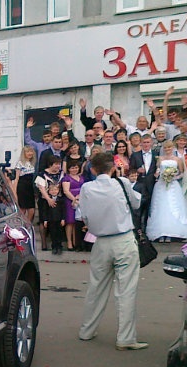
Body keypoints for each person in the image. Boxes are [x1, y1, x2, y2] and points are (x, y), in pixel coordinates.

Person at [78, 151, 147, 351]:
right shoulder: (122, 183)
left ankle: (87, 330)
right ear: (113, 168)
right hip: (123, 238)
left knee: (95, 288)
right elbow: (137, 202)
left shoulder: (86, 188)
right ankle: (125, 338)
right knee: (126, 290)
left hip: (100, 241)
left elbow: (85, 216)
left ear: (92, 170)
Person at [146, 140, 187, 242]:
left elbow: (181, 173)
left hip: (173, 185)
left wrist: (173, 177)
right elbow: (157, 171)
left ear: (173, 148)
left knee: (173, 206)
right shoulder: (160, 159)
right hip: (161, 185)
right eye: (166, 148)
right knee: (160, 207)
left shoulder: (178, 159)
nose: (167, 149)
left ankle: (171, 233)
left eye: (169, 147)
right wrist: (158, 175)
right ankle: (161, 233)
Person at [35, 156, 65, 254]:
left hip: (58, 200)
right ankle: (44, 243)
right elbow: (42, 188)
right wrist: (48, 199)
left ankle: (58, 245)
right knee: (43, 220)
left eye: (59, 164)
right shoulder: (42, 174)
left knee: (57, 223)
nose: (58, 166)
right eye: (56, 164)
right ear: (50, 164)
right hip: (45, 201)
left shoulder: (61, 174)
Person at [128, 134, 158, 229]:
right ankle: (138, 230)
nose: (146, 144)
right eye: (144, 142)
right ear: (141, 143)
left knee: (151, 208)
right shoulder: (135, 155)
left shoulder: (156, 155)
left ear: (151, 143)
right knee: (138, 209)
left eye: (148, 142)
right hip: (139, 186)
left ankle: (148, 229)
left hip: (152, 185)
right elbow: (130, 169)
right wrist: (137, 170)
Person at [61, 160, 84, 251]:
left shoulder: (82, 177)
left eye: (76, 167)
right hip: (70, 201)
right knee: (70, 222)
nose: (75, 169)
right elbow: (66, 191)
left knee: (77, 222)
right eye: (72, 168)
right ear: (69, 169)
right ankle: (69, 242)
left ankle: (76, 242)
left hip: (81, 201)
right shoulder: (66, 178)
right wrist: (74, 199)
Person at [12, 145, 38, 223]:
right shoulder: (20, 163)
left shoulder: (32, 163)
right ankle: (20, 225)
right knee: (22, 209)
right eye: (27, 151)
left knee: (31, 210)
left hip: (30, 187)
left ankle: (28, 224)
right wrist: (14, 192)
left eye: (31, 151)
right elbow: (16, 179)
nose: (30, 153)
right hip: (22, 187)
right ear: (24, 153)